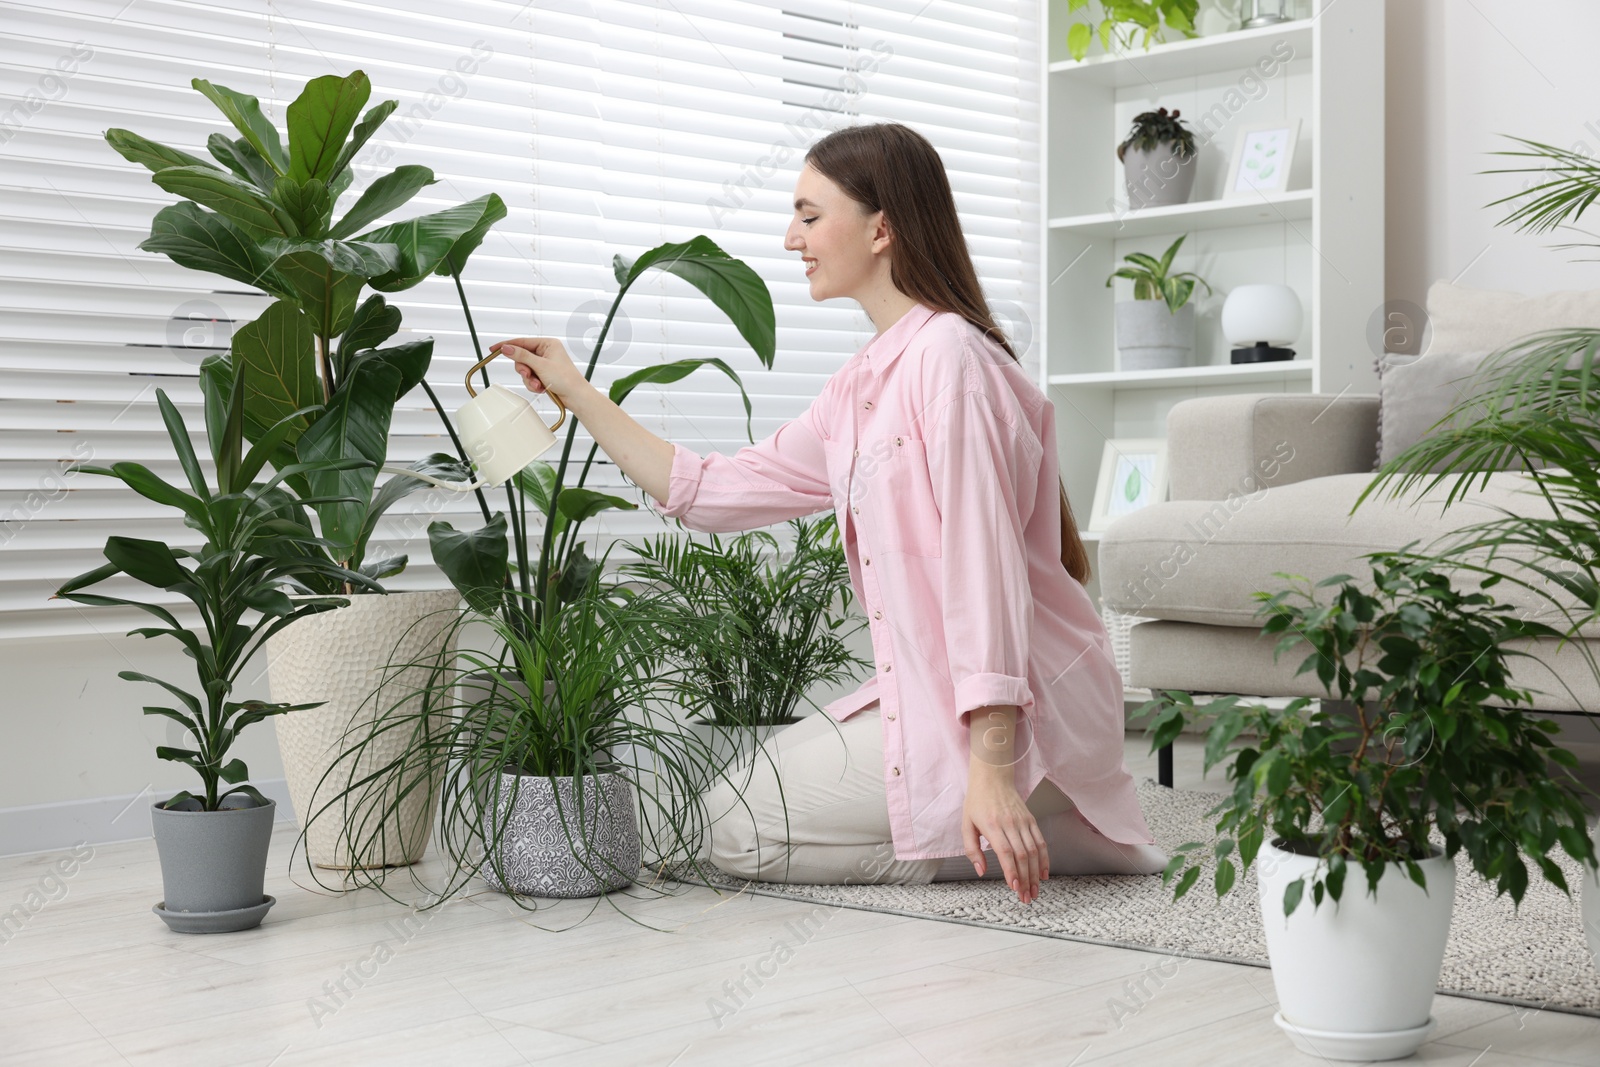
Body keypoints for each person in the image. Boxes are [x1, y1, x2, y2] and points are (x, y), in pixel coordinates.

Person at [490, 122, 1168, 906]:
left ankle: (1045, 829)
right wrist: (577, 392)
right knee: (731, 811)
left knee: (740, 836)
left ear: (882, 228)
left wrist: (989, 773)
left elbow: (985, 579)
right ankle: (1027, 825)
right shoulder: (861, 387)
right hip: (928, 694)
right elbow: (710, 491)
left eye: (810, 216)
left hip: (1022, 717)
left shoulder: (949, 361)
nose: (791, 238)